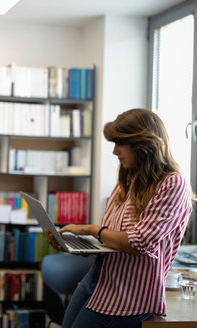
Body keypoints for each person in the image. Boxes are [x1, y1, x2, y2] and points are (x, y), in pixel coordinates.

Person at [45, 108, 192, 328]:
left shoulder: (172, 184)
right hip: (96, 281)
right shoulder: (128, 179)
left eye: (120, 143)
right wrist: (74, 246)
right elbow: (111, 238)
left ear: (143, 144)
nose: (114, 151)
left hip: (127, 296)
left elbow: (139, 242)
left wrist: (89, 230)